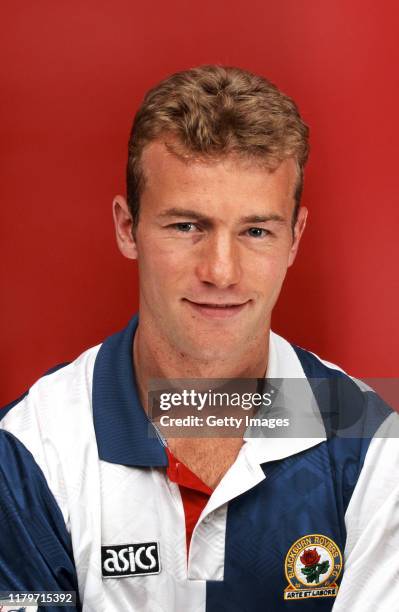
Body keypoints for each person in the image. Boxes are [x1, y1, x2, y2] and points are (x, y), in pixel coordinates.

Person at [0, 65, 397, 612]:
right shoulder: (30, 451)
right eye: (187, 226)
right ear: (126, 227)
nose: (221, 271)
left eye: (256, 230)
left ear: (294, 239)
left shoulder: (373, 445)